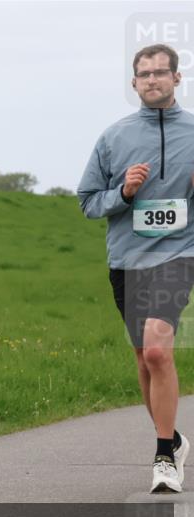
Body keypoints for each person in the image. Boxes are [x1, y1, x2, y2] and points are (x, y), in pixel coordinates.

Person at [78, 44, 194, 493]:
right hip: (127, 259)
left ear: (177, 79)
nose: (152, 80)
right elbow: (88, 201)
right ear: (134, 84)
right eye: (144, 74)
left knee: (159, 350)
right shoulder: (113, 138)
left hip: (180, 253)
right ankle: (175, 438)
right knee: (144, 360)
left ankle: (164, 456)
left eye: (160, 73)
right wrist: (123, 193)